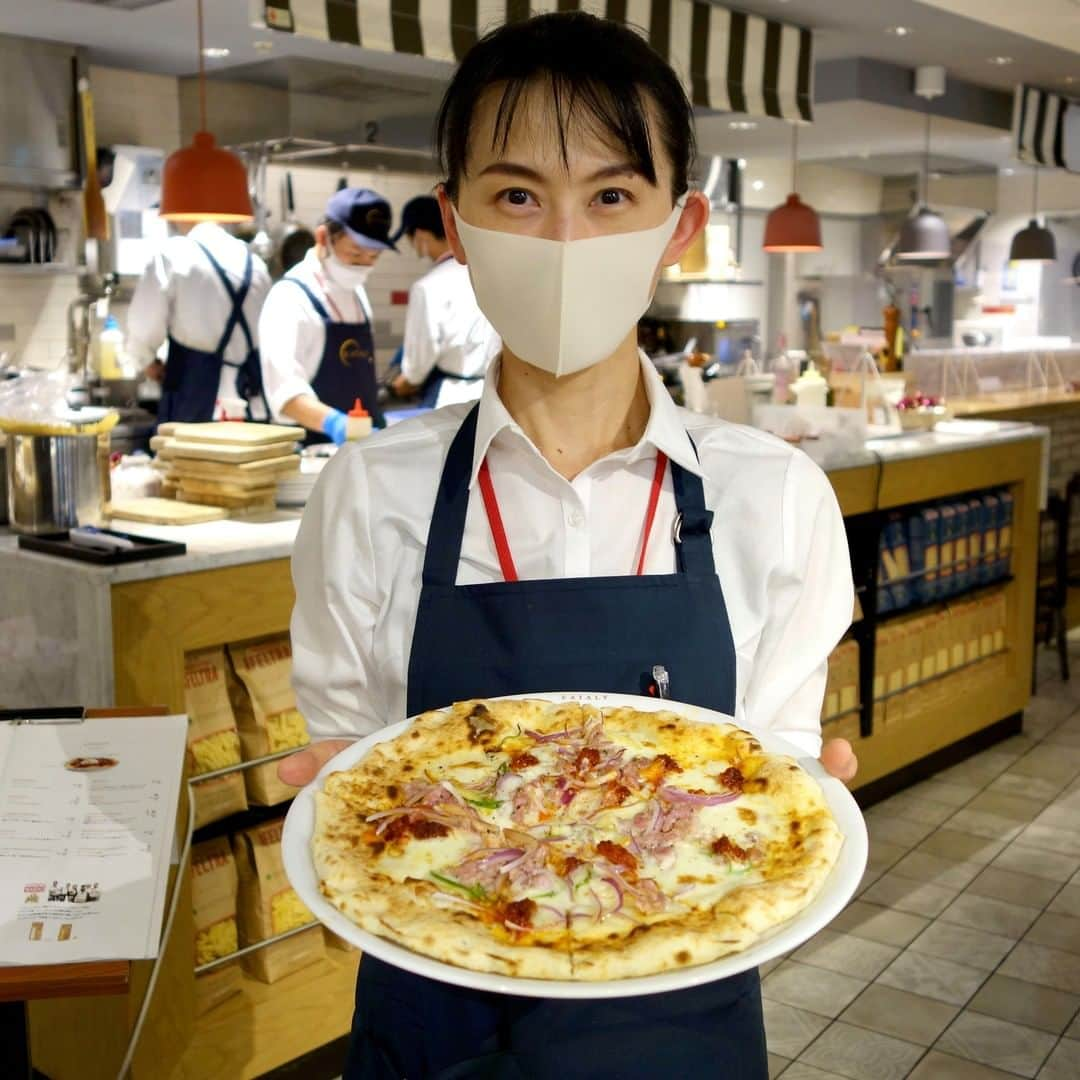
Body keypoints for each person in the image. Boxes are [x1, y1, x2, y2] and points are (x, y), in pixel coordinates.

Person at [282, 12, 856, 1078]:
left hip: (677, 1028)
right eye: (515, 197)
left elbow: (773, 800)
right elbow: (356, 792)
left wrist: (795, 796)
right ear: (453, 223)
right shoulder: (368, 494)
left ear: (678, 225)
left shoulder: (777, 498)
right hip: (430, 1025)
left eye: (610, 197)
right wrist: (330, 807)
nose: (562, 241)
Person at [258, 188, 394, 445]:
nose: (363, 265)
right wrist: (337, 424)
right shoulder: (290, 298)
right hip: (313, 449)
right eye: (355, 254)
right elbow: (285, 394)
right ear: (323, 237)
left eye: (373, 256)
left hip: (363, 445)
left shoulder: (357, 293)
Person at [127, 220, 271, 423]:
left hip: (194, 406)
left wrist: (148, 363)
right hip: (251, 408)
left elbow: (143, 329)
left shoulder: (173, 256)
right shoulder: (256, 264)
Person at [389, 195, 500, 409]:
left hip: (448, 397)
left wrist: (400, 384)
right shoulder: (490, 274)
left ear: (420, 235)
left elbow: (418, 364)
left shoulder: (428, 286)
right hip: (495, 395)